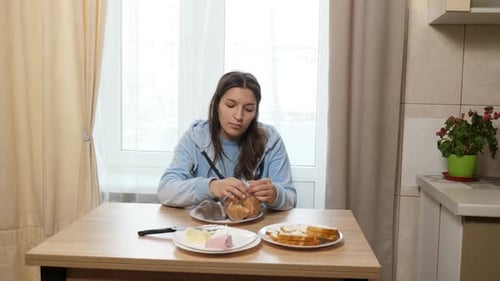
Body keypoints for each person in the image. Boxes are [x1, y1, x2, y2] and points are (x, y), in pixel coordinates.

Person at [157, 71, 296, 211]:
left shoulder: (270, 140)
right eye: (230, 105)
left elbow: (290, 198)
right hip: (207, 229)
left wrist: (275, 194)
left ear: (255, 113)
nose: (238, 116)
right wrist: (211, 187)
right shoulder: (196, 136)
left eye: (248, 109)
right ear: (217, 104)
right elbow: (165, 190)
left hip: (254, 228)